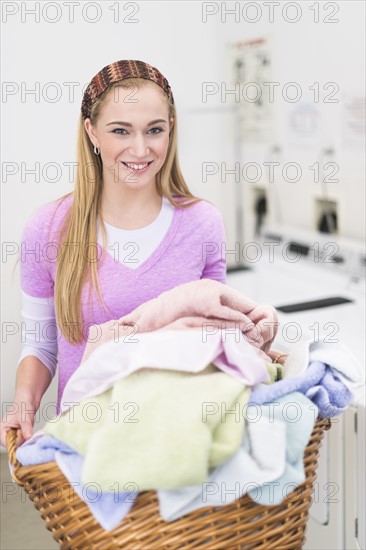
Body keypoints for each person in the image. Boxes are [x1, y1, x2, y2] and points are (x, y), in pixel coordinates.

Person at [0, 59, 287, 449]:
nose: (140, 149)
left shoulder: (202, 223)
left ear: (171, 130)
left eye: (155, 130)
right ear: (92, 133)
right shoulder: (48, 229)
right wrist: (23, 403)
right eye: (121, 131)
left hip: (183, 441)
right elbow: (41, 344)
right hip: (87, 446)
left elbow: (219, 334)